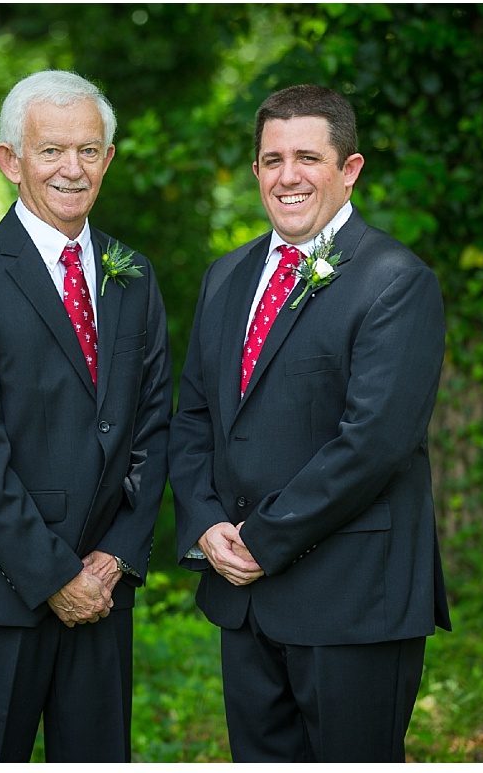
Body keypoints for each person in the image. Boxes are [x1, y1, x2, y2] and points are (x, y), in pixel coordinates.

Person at [168, 84, 450, 762]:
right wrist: (207, 525)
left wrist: (260, 540)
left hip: (353, 596)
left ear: (348, 169)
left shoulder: (394, 280)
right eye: (271, 159)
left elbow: (374, 441)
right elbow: (194, 418)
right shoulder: (226, 277)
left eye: (306, 157)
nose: (286, 176)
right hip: (243, 599)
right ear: (256, 169)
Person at [0, 70, 172, 762]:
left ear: (109, 159)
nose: (72, 167)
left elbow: (154, 428)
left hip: (103, 584)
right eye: (52, 150)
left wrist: (115, 555)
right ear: (10, 160)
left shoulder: (134, 275)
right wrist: (56, 574)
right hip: (0, 588)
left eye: (90, 150)